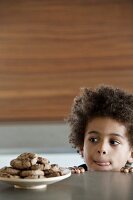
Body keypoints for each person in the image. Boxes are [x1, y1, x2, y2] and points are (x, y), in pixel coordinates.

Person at [67, 85, 133, 174]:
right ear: (82, 147)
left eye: (113, 142)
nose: (102, 149)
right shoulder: (68, 179)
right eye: (93, 139)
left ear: (131, 153)